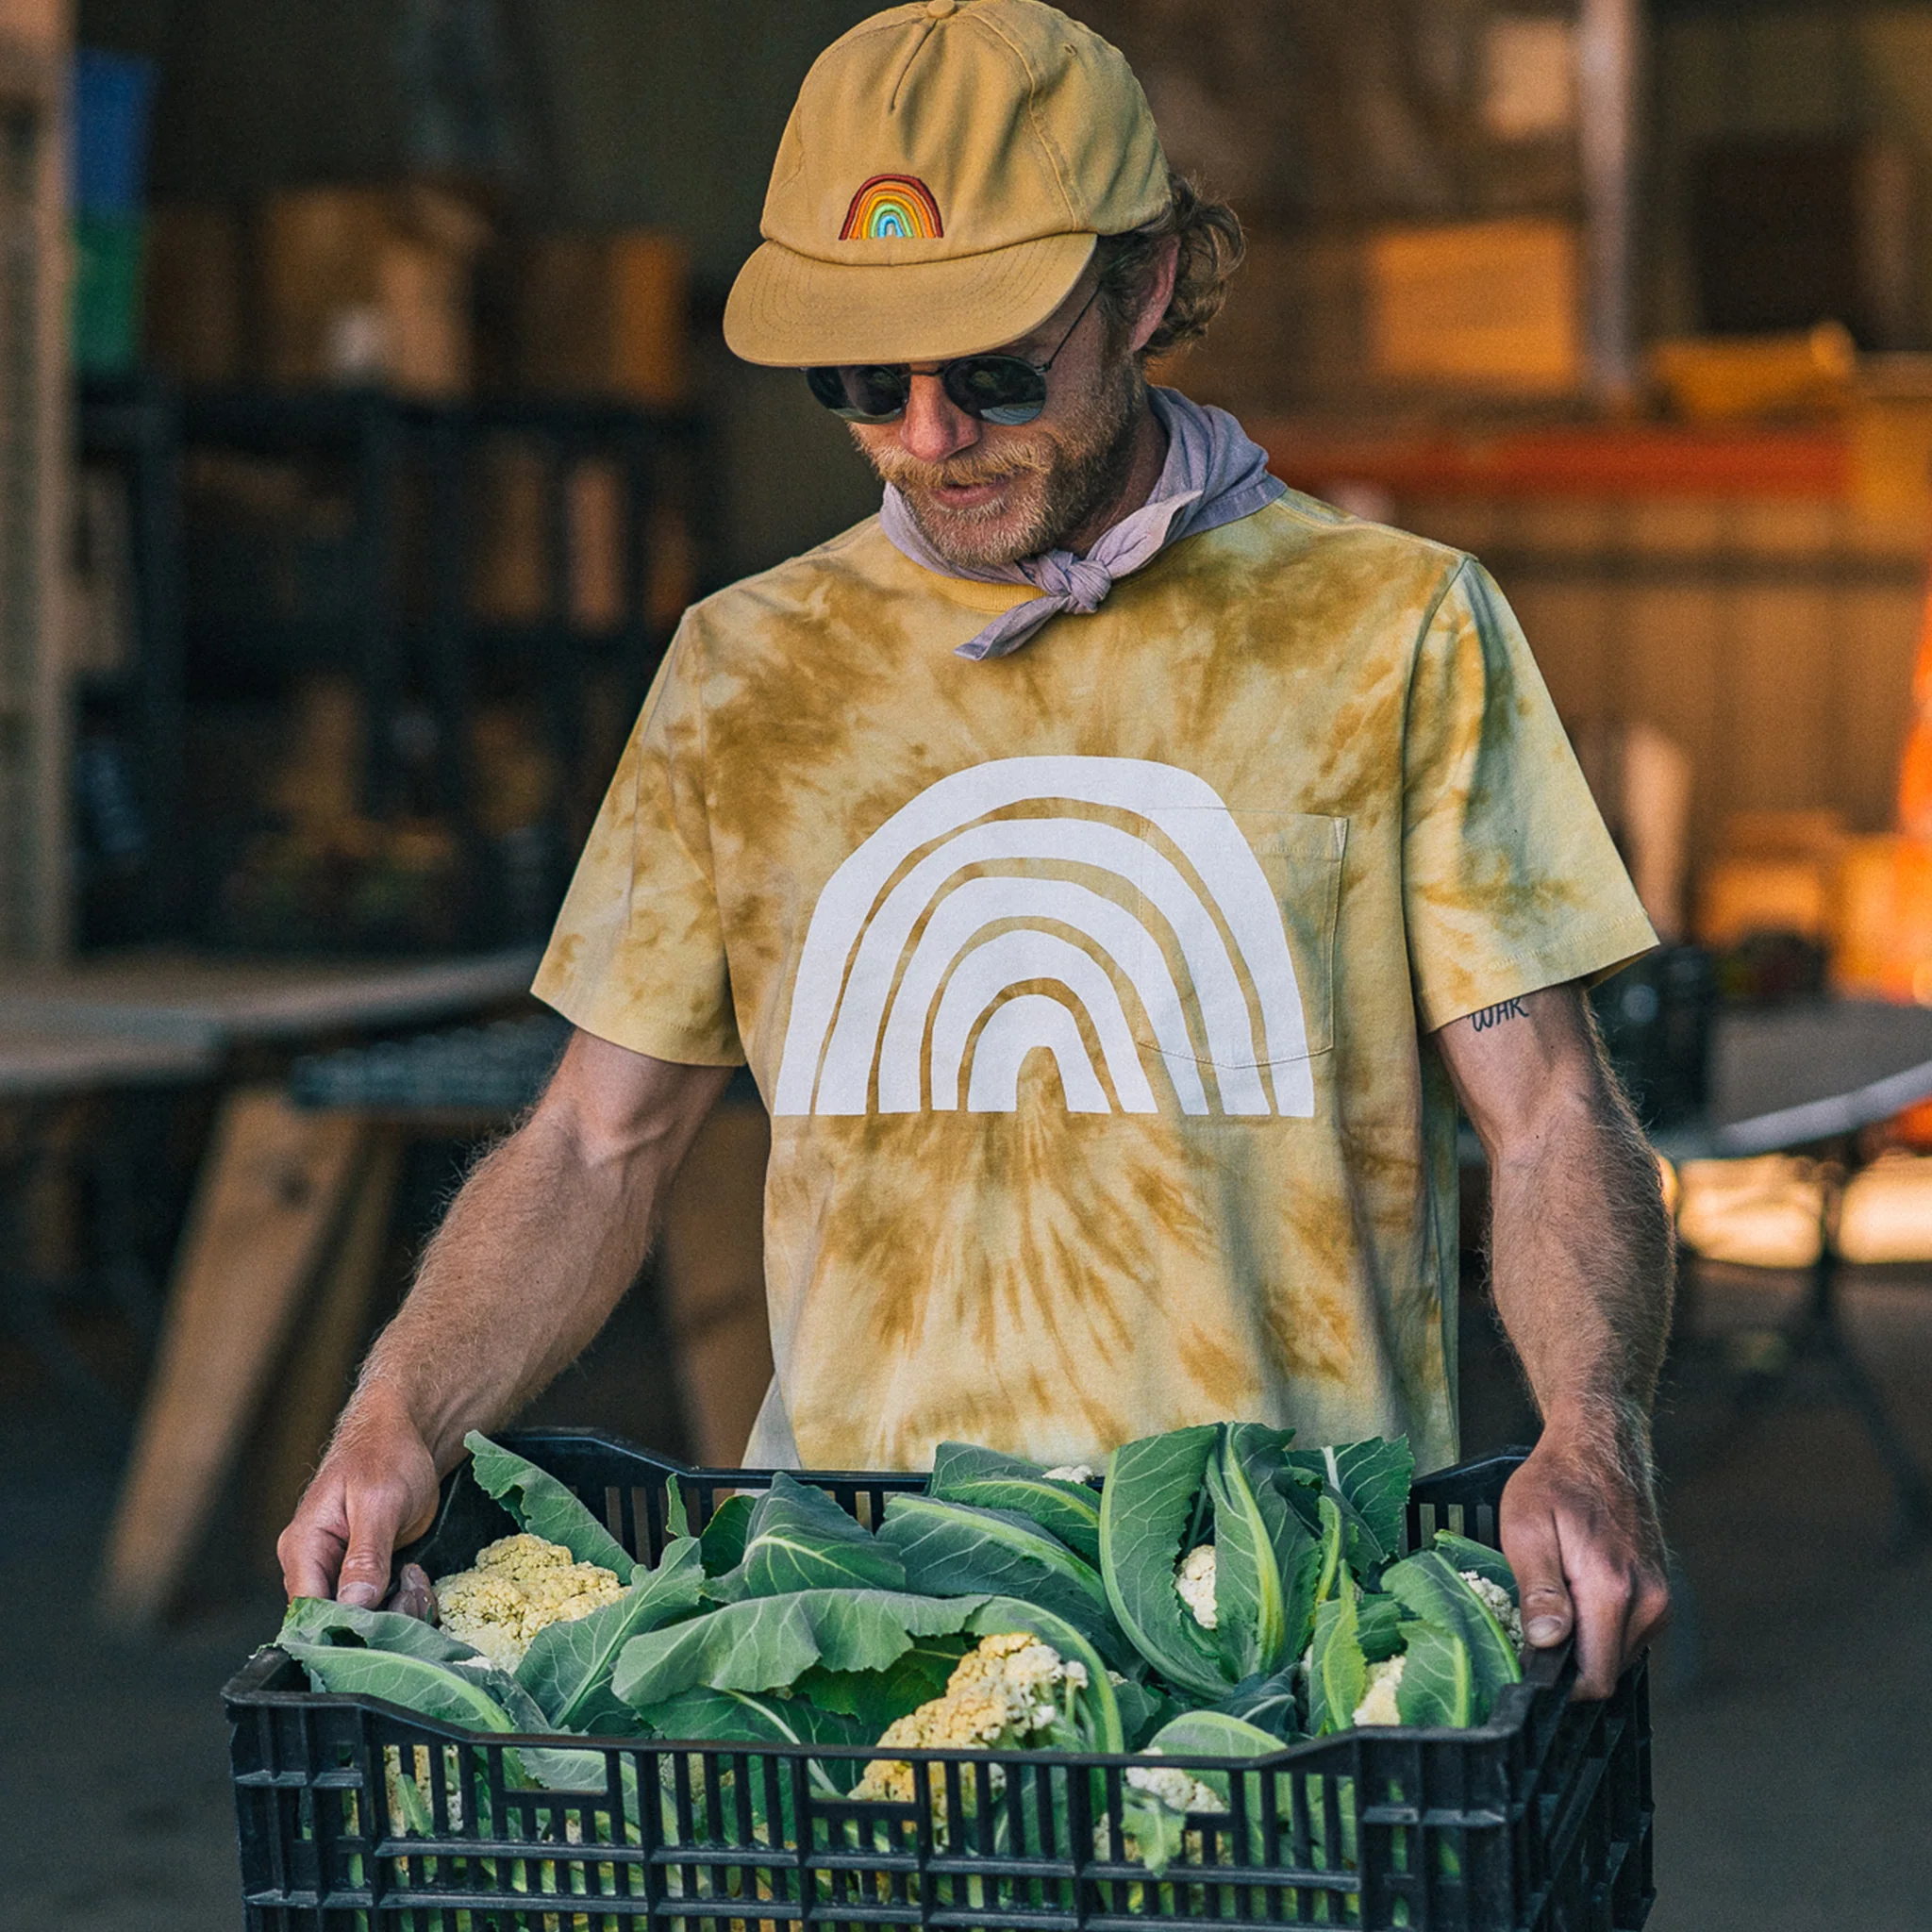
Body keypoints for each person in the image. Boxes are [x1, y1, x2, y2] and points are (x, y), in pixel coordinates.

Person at [280, 0, 1672, 1700]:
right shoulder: (746, 671)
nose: (931, 437)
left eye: (998, 371)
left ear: (1145, 287)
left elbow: (1543, 1122)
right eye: (869, 382)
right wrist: (395, 1411)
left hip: (1292, 1638)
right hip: (870, 1650)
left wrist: (1591, 1436)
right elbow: (593, 1144)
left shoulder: (1391, 634)